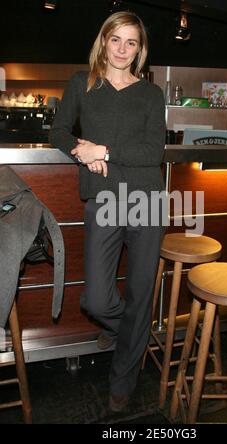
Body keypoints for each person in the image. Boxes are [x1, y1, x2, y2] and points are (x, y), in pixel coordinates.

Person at [49, 11, 166, 412]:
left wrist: (105, 151)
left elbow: (154, 153)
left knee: (139, 292)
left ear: (140, 50)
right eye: (115, 39)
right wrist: (81, 150)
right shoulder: (83, 84)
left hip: (146, 201)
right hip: (104, 201)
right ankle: (134, 335)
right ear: (103, 41)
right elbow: (58, 131)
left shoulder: (152, 93)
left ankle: (124, 377)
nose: (121, 49)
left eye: (131, 42)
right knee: (96, 300)